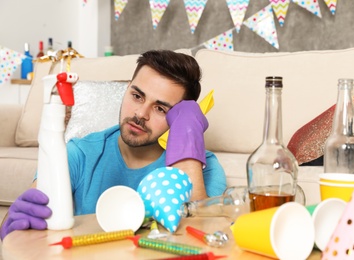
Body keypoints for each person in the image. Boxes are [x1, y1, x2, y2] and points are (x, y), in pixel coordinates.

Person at [0, 50, 227, 240]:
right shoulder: (80, 153)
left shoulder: (205, 167)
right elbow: (26, 213)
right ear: (127, 88)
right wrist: (12, 224)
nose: (140, 114)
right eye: (137, 96)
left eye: (161, 108)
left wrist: (187, 141)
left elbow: (203, 237)